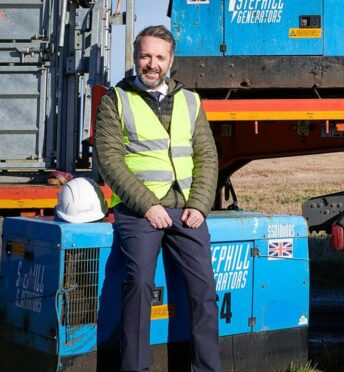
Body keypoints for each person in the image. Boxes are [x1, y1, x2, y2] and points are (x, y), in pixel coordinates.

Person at [94, 25, 221, 372]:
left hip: (186, 212)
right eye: (146, 56)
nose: (152, 63)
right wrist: (147, 205)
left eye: (159, 57)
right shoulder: (115, 101)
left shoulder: (191, 101)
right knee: (137, 287)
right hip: (139, 212)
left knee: (204, 293)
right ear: (136, 57)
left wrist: (199, 204)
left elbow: (207, 156)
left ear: (171, 60)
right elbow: (110, 160)